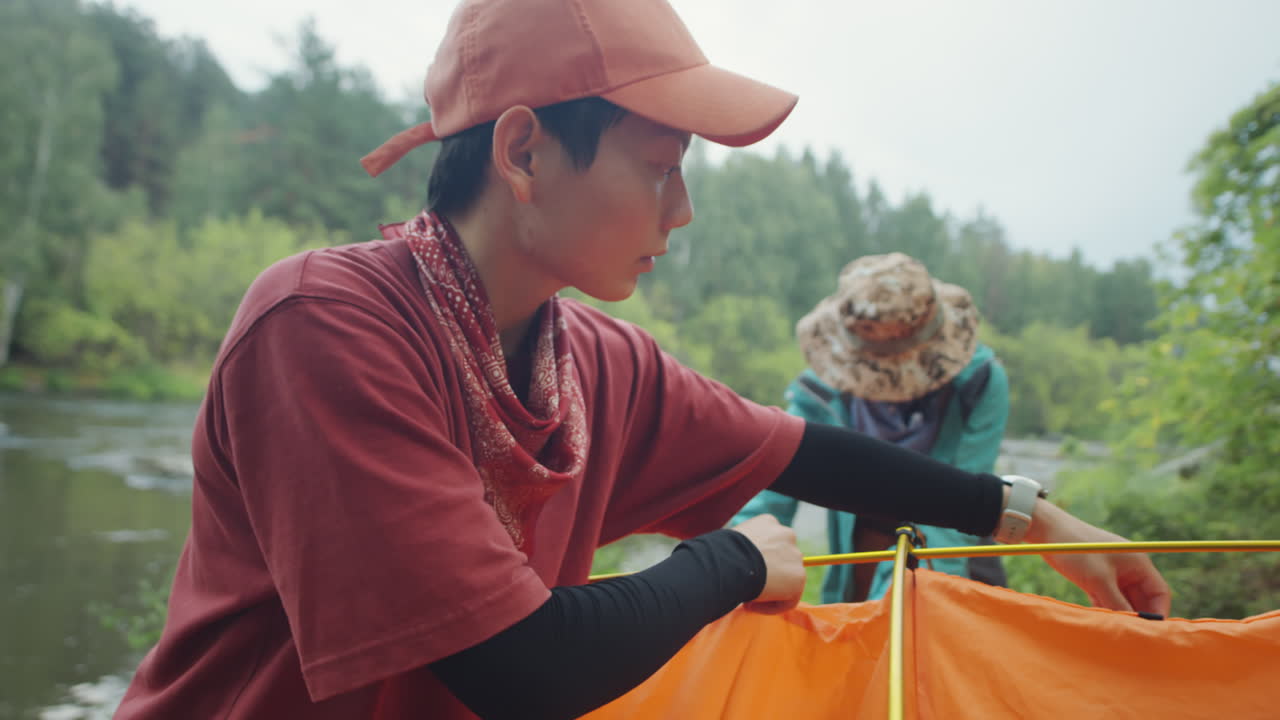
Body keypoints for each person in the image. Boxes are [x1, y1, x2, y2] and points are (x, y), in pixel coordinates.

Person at [114, 1, 1171, 718]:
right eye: (660, 165)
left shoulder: (596, 362)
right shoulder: (324, 326)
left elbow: (802, 454)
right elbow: (520, 667)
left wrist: (1034, 520)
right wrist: (732, 563)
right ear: (523, 152)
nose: (684, 207)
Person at [734, 253, 1012, 603]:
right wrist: (734, 562)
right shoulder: (820, 395)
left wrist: (900, 599)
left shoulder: (980, 385)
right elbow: (774, 488)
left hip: (952, 549)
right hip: (863, 548)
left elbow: (962, 513)